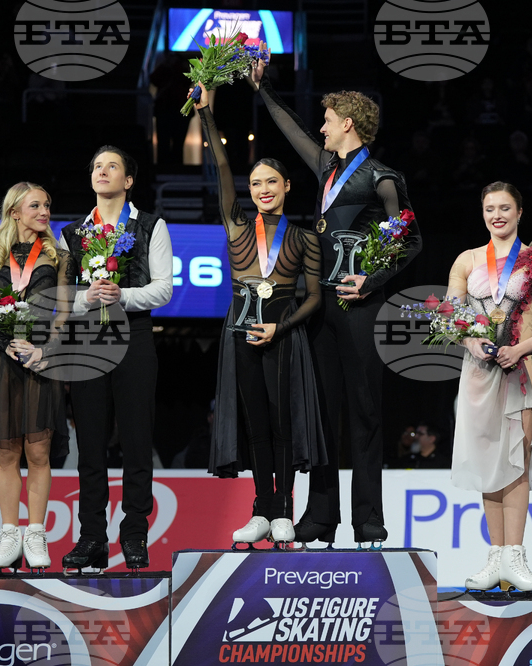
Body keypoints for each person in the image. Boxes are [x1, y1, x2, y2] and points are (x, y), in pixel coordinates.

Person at [248, 60, 421, 547]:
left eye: (326, 119)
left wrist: (372, 279)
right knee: (320, 415)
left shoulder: (383, 177)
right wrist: (264, 91)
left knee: (364, 412)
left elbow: (410, 239)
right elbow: (291, 129)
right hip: (320, 307)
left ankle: (368, 519)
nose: (320, 127)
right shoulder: (328, 169)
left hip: (361, 308)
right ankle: (321, 516)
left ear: (348, 123)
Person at [192, 82, 325, 548]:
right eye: (256, 183)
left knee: (282, 421)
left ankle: (284, 510)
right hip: (240, 331)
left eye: (271, 181)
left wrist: (280, 326)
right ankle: (261, 511)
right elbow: (221, 167)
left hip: (283, 332)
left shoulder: (305, 238)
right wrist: (207, 116)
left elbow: (314, 299)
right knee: (255, 425)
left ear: (287, 186)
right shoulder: (235, 226)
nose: (263, 189)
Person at [58, 146, 174, 571]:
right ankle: (91, 538)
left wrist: (121, 294)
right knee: (89, 445)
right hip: (87, 341)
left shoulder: (150, 226)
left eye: (112, 166)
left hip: (135, 337)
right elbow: (60, 298)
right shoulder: (71, 233)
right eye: (96, 166)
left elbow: (163, 289)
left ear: (128, 181)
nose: (101, 171)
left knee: (136, 441)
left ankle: (135, 535)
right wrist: (84, 298)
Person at [449, 182, 532, 592]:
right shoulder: (466, 260)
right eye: (489, 209)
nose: (497, 215)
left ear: (519, 213)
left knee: (515, 463)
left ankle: (515, 555)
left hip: (522, 370)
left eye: (505, 208)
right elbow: (451, 317)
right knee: (487, 465)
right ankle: (495, 557)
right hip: (479, 374)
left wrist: (521, 349)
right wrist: (470, 341)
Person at [0, 182, 73, 572]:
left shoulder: (59, 257)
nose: (44, 211)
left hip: (41, 362)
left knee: (39, 451)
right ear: (15, 212)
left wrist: (45, 350)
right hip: (3, 361)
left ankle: (36, 533)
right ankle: (9, 533)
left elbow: (65, 312)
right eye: (36, 206)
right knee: (7, 450)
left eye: (47, 204)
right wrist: (7, 343)